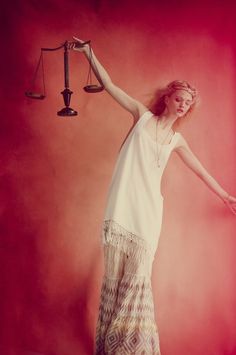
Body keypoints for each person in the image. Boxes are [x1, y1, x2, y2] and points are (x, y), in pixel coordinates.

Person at [70, 37, 236, 355]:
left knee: (136, 282)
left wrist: (226, 195)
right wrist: (88, 52)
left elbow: (201, 172)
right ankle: (109, 348)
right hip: (121, 210)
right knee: (115, 280)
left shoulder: (176, 140)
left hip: (147, 217)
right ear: (168, 98)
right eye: (180, 98)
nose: (184, 105)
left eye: (188, 102)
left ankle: (131, 351)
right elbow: (108, 84)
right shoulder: (142, 117)